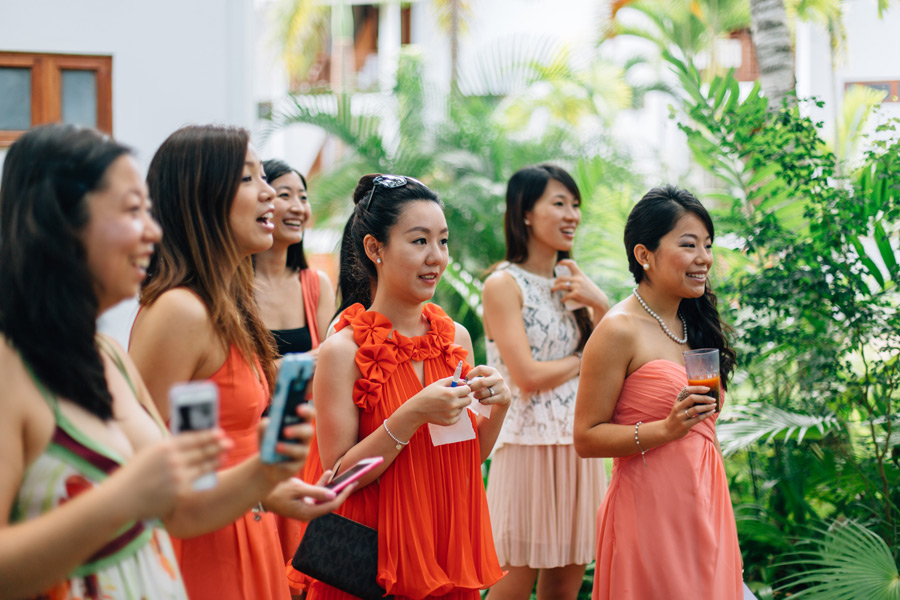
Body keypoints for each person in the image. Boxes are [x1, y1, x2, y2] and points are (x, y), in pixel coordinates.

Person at [0, 123, 230, 599]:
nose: (153, 231)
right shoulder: (9, 364)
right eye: (131, 210)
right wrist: (124, 498)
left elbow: (179, 509)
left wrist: (268, 472)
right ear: (61, 222)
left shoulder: (103, 354)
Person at [129, 125, 351, 600]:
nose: (270, 193)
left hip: (244, 524)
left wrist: (267, 492)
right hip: (200, 550)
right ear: (202, 197)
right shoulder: (179, 311)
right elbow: (139, 459)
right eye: (250, 179)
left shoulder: (226, 305)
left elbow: (213, 451)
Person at [307, 174, 511, 599]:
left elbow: (464, 457)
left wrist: (499, 407)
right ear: (374, 248)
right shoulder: (342, 351)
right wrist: (413, 413)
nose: (436, 257)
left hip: (443, 548)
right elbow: (338, 480)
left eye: (443, 241)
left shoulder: (455, 339)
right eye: (419, 241)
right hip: (372, 560)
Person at [573, 185, 742, 599]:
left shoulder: (696, 324)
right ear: (644, 255)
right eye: (689, 245)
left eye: (707, 245)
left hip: (705, 501)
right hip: (649, 510)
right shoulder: (618, 330)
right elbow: (585, 436)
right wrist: (664, 429)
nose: (704, 258)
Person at [482, 165, 610, 600]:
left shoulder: (571, 283)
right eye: (559, 203)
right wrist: (582, 357)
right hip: (527, 444)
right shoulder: (503, 283)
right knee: (513, 580)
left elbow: (613, 363)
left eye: (575, 204)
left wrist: (600, 304)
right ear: (525, 214)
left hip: (578, 443)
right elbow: (527, 377)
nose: (572, 214)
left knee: (564, 586)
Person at [252, 159, 336, 591]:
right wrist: (307, 362)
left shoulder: (315, 283)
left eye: (303, 196)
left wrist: (278, 369)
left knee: (311, 573)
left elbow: (336, 368)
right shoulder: (234, 287)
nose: (297, 206)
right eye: (285, 193)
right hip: (257, 448)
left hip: (309, 444)